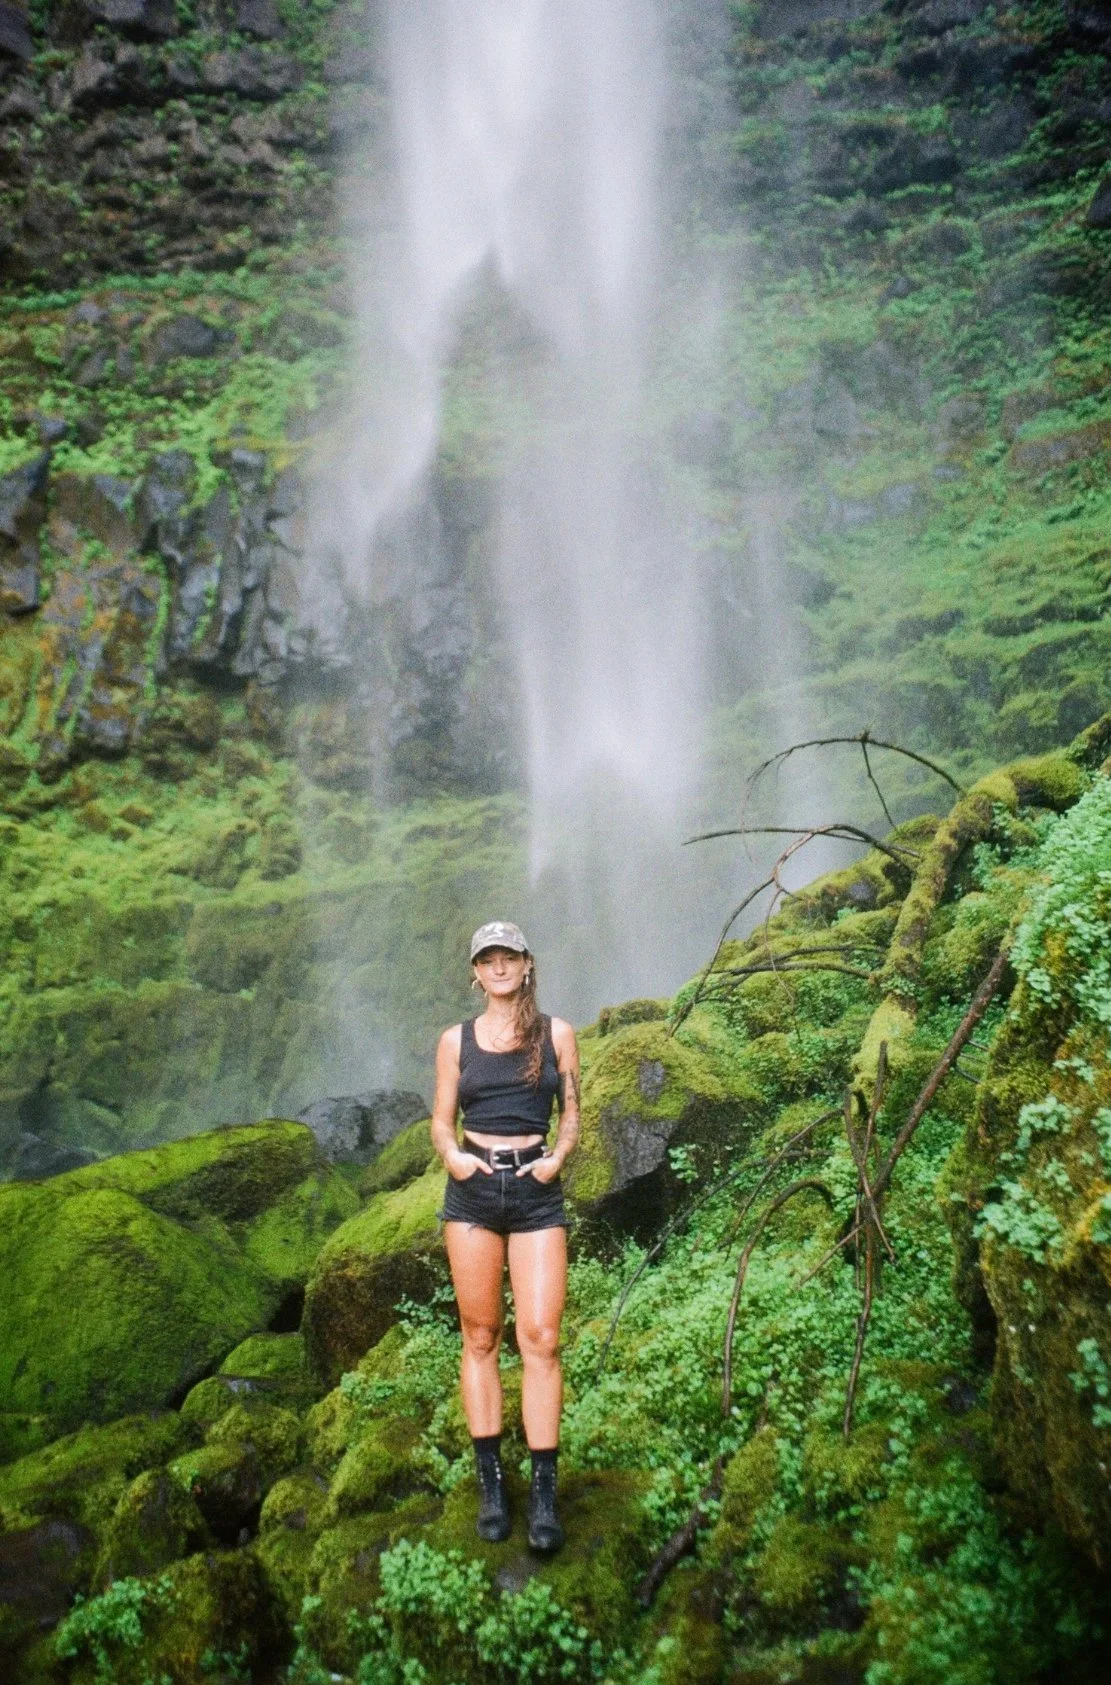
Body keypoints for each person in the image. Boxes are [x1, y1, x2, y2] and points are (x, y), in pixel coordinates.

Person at [430, 920, 580, 1552]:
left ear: (526, 964)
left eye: (508, 956)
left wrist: (558, 1158)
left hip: (535, 1190)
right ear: (475, 971)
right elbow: (441, 1121)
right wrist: (454, 1158)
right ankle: (492, 1486)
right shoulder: (455, 1041)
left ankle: (544, 1495)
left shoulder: (557, 1034)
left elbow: (571, 1113)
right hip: (473, 1191)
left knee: (541, 1339)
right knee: (481, 1336)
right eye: (487, 958)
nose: (498, 967)